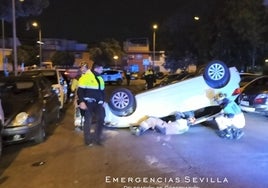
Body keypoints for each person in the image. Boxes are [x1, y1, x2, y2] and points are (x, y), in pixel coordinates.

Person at [77, 62, 106, 146]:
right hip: (88, 103)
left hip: (99, 103)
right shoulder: (86, 77)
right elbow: (80, 91)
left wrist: (103, 101)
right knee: (88, 121)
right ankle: (88, 140)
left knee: (101, 118)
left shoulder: (100, 78)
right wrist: (82, 102)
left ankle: (97, 138)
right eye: (101, 68)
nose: (102, 70)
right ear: (96, 68)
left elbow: (103, 91)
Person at [72, 62, 88, 131]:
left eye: (84, 68)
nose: (83, 69)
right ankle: (83, 123)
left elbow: (72, 88)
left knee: (78, 110)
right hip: (86, 97)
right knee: (85, 111)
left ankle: (79, 124)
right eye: (83, 68)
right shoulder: (90, 77)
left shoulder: (77, 78)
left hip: (79, 97)